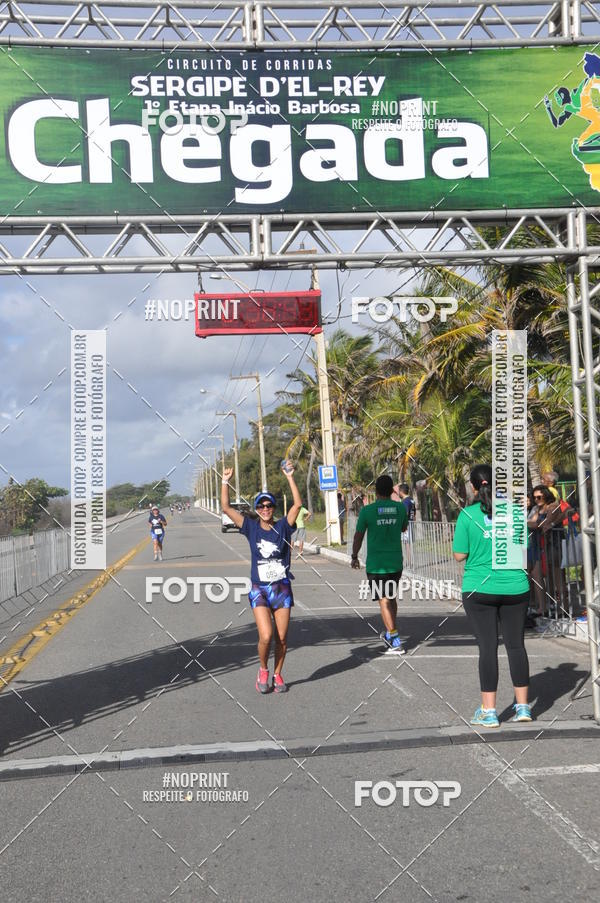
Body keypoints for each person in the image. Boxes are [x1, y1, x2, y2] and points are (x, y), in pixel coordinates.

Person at [452, 465, 532, 728]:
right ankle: (523, 708)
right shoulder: (516, 512)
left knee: (488, 647)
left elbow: (459, 555)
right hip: (515, 587)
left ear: (474, 487)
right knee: (516, 646)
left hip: (480, 589)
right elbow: (523, 550)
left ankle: (489, 711)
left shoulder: (467, 514)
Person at [221, 460, 302, 694]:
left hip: (281, 588)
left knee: (283, 638)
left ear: (273, 508)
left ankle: (277, 674)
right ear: (257, 510)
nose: (265, 509)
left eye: (269, 506)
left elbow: (297, 504)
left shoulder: (284, 527)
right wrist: (225, 481)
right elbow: (226, 508)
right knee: (266, 635)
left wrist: (289, 476)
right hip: (259, 589)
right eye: (261, 506)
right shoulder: (251, 527)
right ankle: (263, 669)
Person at [351, 474, 408, 654]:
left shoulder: (367, 511)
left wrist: (354, 555)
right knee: (391, 598)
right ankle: (391, 634)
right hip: (396, 563)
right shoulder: (399, 508)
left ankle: (395, 639)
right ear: (392, 491)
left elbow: (358, 535)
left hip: (377, 564)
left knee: (383, 600)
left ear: (375, 491)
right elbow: (404, 528)